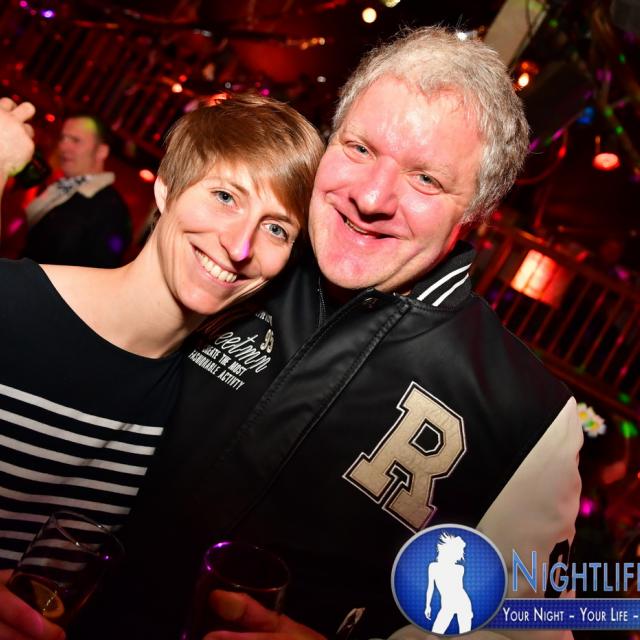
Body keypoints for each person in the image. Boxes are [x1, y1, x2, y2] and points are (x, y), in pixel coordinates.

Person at [66, 25, 583, 640]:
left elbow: (532, 629)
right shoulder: (235, 261)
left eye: (425, 179)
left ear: (475, 211)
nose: (371, 196)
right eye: (359, 148)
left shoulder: (528, 414)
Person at [0, 93, 324, 640]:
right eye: (225, 196)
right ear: (166, 188)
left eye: (276, 229)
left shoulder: (197, 398)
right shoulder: (13, 307)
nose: (239, 245)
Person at [19, 114, 131, 267]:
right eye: (62, 138)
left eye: (75, 140)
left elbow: (101, 270)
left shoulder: (111, 209)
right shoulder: (60, 188)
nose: (63, 146)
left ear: (101, 151)